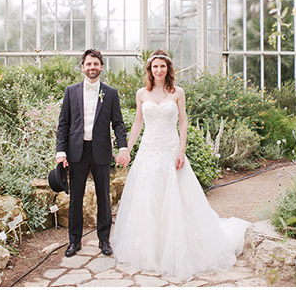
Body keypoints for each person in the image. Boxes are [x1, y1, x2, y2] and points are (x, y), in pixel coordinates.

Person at [111, 49, 251, 279]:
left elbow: (183, 123)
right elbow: (137, 124)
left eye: (162, 66)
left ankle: (177, 249)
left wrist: (181, 151)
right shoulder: (141, 94)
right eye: (155, 66)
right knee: (149, 199)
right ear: (150, 69)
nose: (158, 70)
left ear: (168, 69)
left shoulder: (177, 92)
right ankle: (150, 251)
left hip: (169, 150)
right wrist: (126, 149)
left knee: (175, 199)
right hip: (148, 151)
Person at [56, 48, 127, 257]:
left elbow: (118, 124)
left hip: (101, 151)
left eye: (96, 64)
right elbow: (63, 124)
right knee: (75, 198)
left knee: (104, 197)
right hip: (76, 151)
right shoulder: (71, 91)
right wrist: (61, 151)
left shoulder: (111, 93)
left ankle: (104, 240)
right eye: (88, 64)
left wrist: (122, 147)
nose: (92, 67)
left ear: (102, 67)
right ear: (83, 67)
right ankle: (74, 241)